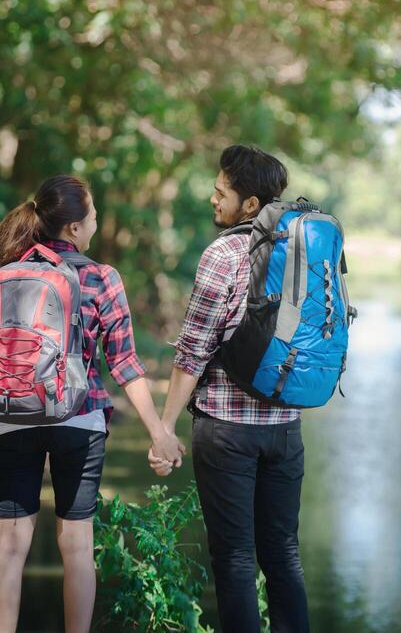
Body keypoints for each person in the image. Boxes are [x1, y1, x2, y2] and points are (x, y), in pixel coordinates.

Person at [0, 174, 184, 633]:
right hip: (80, 416)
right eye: (92, 217)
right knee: (75, 542)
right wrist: (160, 432)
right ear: (74, 227)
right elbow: (125, 364)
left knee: (10, 543)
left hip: (8, 417)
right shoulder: (100, 277)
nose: (95, 223)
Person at [149, 145, 310, 633]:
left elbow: (193, 349)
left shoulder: (224, 253)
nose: (212, 199)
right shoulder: (303, 248)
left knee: (236, 559)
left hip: (227, 432)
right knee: (283, 555)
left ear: (250, 204)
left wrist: (165, 427)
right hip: (286, 428)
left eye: (222, 192)